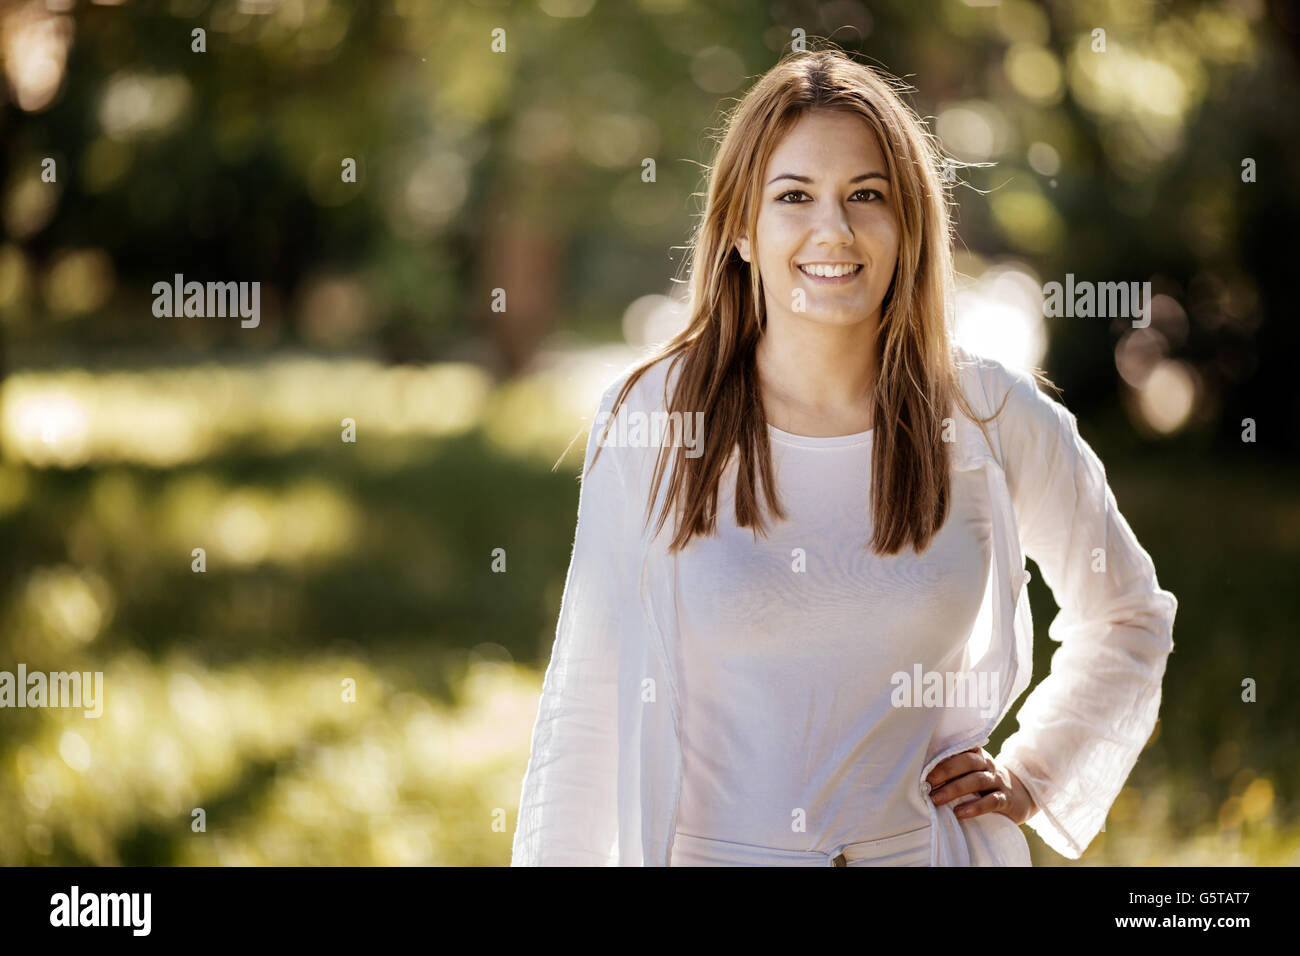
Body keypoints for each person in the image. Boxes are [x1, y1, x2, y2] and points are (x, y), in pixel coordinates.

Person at [511, 47, 1178, 866]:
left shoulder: (990, 412)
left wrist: (1037, 773)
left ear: (910, 226)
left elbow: (1128, 615)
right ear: (741, 232)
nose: (835, 229)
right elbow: (589, 702)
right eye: (794, 196)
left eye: (868, 195)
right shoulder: (653, 417)